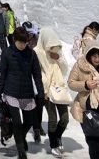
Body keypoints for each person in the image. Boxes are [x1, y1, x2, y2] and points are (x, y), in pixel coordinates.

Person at [0, 26, 44, 159]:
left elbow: (37, 76)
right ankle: (21, 150)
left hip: (27, 93)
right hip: (11, 92)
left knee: (29, 122)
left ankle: (21, 137)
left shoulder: (31, 54)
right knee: (17, 122)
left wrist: (40, 92)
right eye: (21, 42)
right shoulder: (6, 53)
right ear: (14, 40)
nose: (23, 45)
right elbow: (3, 74)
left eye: (25, 42)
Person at [68, 39, 99, 159]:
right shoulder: (80, 65)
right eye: (94, 56)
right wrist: (85, 85)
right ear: (89, 55)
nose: (97, 59)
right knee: (95, 145)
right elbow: (71, 83)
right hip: (89, 111)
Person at [35, 27, 69, 156]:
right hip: (47, 91)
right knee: (53, 119)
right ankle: (54, 145)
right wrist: (42, 90)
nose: (52, 46)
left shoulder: (57, 51)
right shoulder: (37, 53)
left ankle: (56, 136)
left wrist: (58, 58)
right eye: (50, 43)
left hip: (59, 89)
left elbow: (65, 70)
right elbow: (36, 74)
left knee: (65, 119)